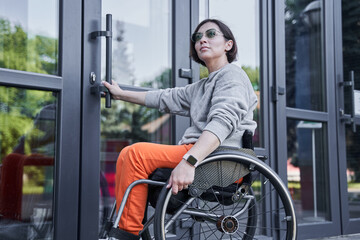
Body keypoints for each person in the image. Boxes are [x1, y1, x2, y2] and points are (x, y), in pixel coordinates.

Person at [102, 18, 258, 240]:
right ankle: (127, 229)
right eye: (197, 37)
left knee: (134, 155)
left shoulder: (232, 75)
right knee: (134, 159)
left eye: (211, 34)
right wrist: (120, 94)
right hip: (200, 152)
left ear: (228, 45)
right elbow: (164, 98)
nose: (202, 39)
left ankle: (126, 234)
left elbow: (223, 122)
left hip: (219, 155)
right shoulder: (202, 87)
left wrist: (189, 161)